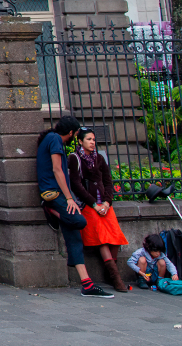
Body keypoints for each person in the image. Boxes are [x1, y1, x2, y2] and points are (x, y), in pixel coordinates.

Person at [37, 115, 113, 297]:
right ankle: (50, 210)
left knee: (74, 236)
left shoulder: (51, 139)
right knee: (79, 221)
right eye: (76, 134)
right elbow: (57, 169)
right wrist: (69, 198)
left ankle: (86, 284)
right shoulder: (55, 139)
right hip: (54, 194)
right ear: (71, 133)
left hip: (57, 193)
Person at [67, 127, 129, 291]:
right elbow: (76, 185)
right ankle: (116, 278)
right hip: (89, 206)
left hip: (105, 206)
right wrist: (94, 204)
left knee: (115, 236)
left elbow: (108, 182)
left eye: (94, 139)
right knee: (102, 238)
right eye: (89, 139)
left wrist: (107, 203)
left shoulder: (100, 158)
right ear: (80, 141)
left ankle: (111, 273)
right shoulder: (74, 158)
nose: (92, 142)